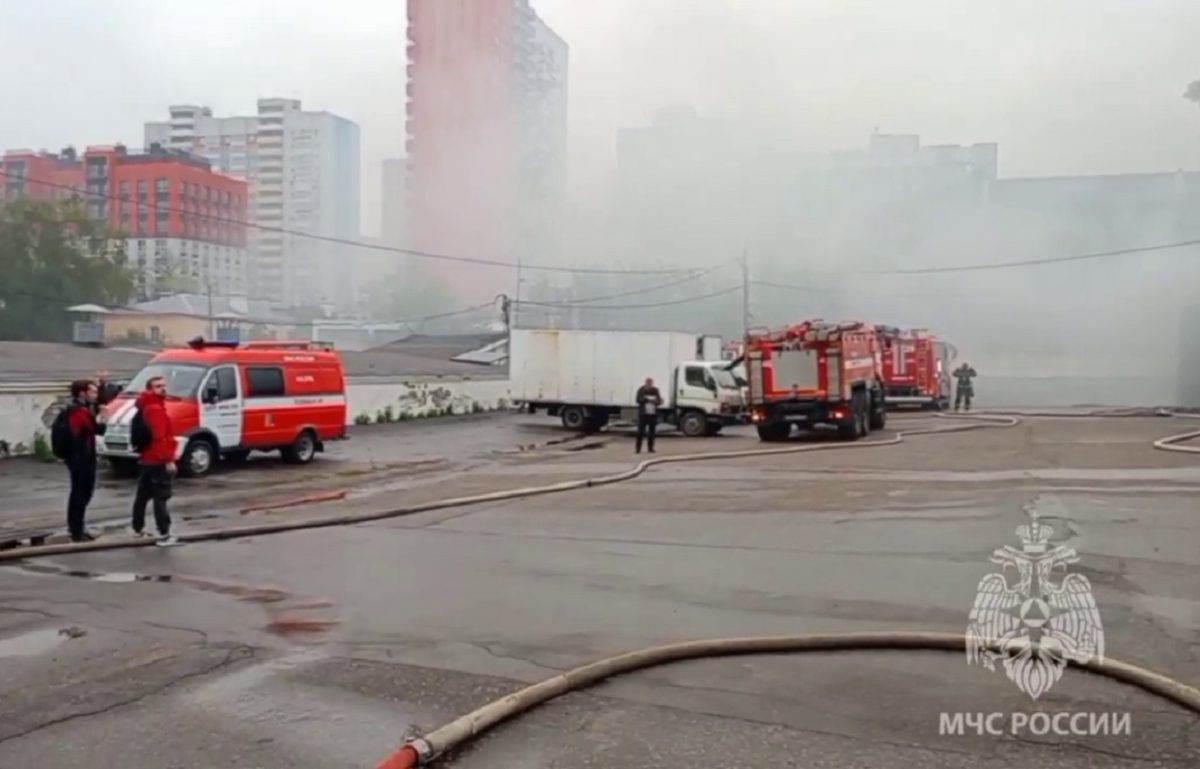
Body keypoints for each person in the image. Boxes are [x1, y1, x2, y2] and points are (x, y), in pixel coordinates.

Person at [131, 376, 180, 547]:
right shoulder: (155, 408)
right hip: (157, 459)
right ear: (150, 389)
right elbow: (160, 437)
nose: (163, 389)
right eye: (158, 386)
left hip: (146, 458)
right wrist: (169, 459)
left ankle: (138, 530)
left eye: (164, 385)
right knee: (161, 496)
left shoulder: (145, 405)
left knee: (142, 496)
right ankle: (165, 533)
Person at [64, 379, 106, 542]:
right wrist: (103, 417)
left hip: (78, 457)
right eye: (93, 392)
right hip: (81, 458)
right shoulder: (79, 412)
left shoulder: (78, 409)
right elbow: (96, 429)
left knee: (79, 493)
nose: (95, 395)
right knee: (81, 493)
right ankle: (76, 530)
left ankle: (77, 527)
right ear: (82, 393)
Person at [635, 377, 662, 454]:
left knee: (652, 432)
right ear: (645, 383)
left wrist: (656, 401)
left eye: (651, 383)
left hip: (652, 414)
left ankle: (650, 448)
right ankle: (638, 448)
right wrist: (646, 400)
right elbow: (637, 400)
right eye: (648, 383)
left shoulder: (655, 390)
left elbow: (659, 401)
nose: (649, 385)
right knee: (640, 432)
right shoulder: (641, 390)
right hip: (643, 414)